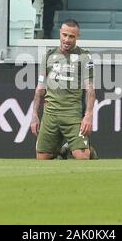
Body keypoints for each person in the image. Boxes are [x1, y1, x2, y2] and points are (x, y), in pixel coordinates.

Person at [30, 19, 96, 160]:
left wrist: (88, 115)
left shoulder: (84, 56)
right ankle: (62, 150)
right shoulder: (48, 56)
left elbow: (90, 89)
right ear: (59, 34)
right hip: (50, 113)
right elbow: (40, 89)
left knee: (82, 157)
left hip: (72, 113)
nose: (67, 39)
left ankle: (86, 150)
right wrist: (34, 114)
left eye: (71, 36)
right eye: (64, 35)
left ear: (77, 37)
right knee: (42, 158)